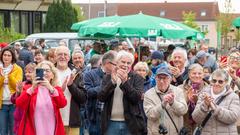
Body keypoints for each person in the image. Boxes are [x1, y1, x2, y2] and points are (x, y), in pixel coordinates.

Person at [98, 50, 147, 135]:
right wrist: (112, 82)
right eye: (123, 62)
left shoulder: (137, 78)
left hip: (131, 123)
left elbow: (136, 98)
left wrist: (125, 82)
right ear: (117, 62)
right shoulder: (108, 77)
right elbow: (101, 97)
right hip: (111, 123)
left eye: (128, 63)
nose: (125, 65)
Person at [16, 61, 67, 135]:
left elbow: (62, 104)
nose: (44, 73)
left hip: (52, 129)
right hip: (34, 129)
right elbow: (19, 103)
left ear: (52, 75)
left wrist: (50, 88)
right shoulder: (29, 88)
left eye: (47, 70)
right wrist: (32, 88)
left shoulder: (56, 89)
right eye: (42, 70)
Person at [192, 69, 240, 135]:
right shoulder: (203, 94)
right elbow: (195, 118)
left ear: (226, 82)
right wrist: (205, 105)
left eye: (220, 81)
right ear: (211, 81)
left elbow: (233, 117)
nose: (216, 83)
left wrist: (215, 108)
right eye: (214, 81)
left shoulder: (233, 96)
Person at [144, 66, 187, 135]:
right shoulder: (148, 94)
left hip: (175, 132)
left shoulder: (178, 91)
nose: (161, 81)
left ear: (170, 79)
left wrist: (173, 103)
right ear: (155, 78)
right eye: (159, 78)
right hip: (156, 133)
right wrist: (162, 105)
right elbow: (150, 115)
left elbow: (183, 110)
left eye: (164, 78)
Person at [83, 50, 117, 135]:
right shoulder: (89, 74)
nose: (118, 67)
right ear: (108, 63)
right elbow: (88, 92)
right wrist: (109, 84)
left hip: (113, 115)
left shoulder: (119, 75)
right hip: (96, 115)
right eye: (116, 64)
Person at [56, 46, 87, 135]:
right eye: (59, 54)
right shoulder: (50, 72)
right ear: (55, 56)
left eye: (65, 54)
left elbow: (83, 99)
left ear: (69, 58)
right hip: (53, 121)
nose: (62, 57)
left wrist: (71, 85)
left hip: (72, 121)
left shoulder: (76, 73)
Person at [178, 64, 209, 134]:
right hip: (184, 126)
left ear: (203, 75)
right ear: (189, 75)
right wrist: (187, 99)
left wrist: (197, 101)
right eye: (194, 73)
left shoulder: (209, 89)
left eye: (200, 73)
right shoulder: (179, 88)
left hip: (202, 128)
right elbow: (177, 109)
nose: (197, 76)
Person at [0, 47, 23, 135]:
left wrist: (9, 75)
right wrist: (2, 77)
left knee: (14, 130)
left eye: (9, 55)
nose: (6, 57)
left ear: (12, 57)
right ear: (2, 56)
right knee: (3, 131)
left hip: (14, 104)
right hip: (2, 104)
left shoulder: (18, 69)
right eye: (5, 55)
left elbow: (17, 85)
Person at [10, 63, 36, 134]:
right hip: (19, 117)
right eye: (26, 72)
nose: (27, 74)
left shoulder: (37, 86)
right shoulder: (23, 84)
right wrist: (18, 93)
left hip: (29, 118)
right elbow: (14, 101)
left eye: (30, 72)